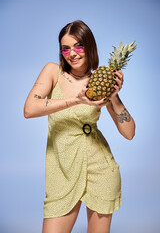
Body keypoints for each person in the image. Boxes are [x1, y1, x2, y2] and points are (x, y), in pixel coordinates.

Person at [24, 20, 135, 233]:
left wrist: (114, 97)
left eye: (78, 46)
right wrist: (77, 100)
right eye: (65, 48)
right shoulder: (52, 72)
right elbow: (29, 109)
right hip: (62, 169)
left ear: (89, 47)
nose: (71, 53)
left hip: (99, 168)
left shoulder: (100, 83)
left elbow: (129, 133)